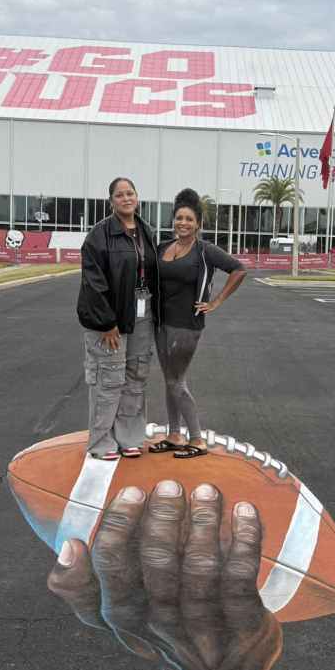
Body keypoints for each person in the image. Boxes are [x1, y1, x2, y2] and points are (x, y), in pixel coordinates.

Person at [150, 188, 246, 459]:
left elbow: (238, 269)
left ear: (198, 224)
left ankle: (196, 439)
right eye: (179, 218)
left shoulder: (205, 251)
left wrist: (216, 302)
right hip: (161, 324)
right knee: (169, 381)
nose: (183, 223)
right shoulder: (162, 248)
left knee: (177, 382)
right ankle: (174, 434)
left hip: (186, 326)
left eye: (189, 219)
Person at [76, 178, 158, 460]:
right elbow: (93, 283)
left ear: (137, 197)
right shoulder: (99, 235)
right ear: (111, 202)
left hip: (142, 314)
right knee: (108, 379)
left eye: (130, 193)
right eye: (119, 195)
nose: (126, 198)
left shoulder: (147, 231)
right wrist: (106, 322)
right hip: (110, 320)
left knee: (136, 376)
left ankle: (129, 438)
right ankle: (101, 443)